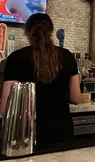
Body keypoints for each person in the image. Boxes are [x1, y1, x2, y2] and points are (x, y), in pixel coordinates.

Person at [0, 13, 81, 148]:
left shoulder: (16, 58)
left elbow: (6, 108)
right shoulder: (67, 56)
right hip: (62, 132)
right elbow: (76, 98)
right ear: (51, 31)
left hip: (26, 134)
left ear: (27, 32)